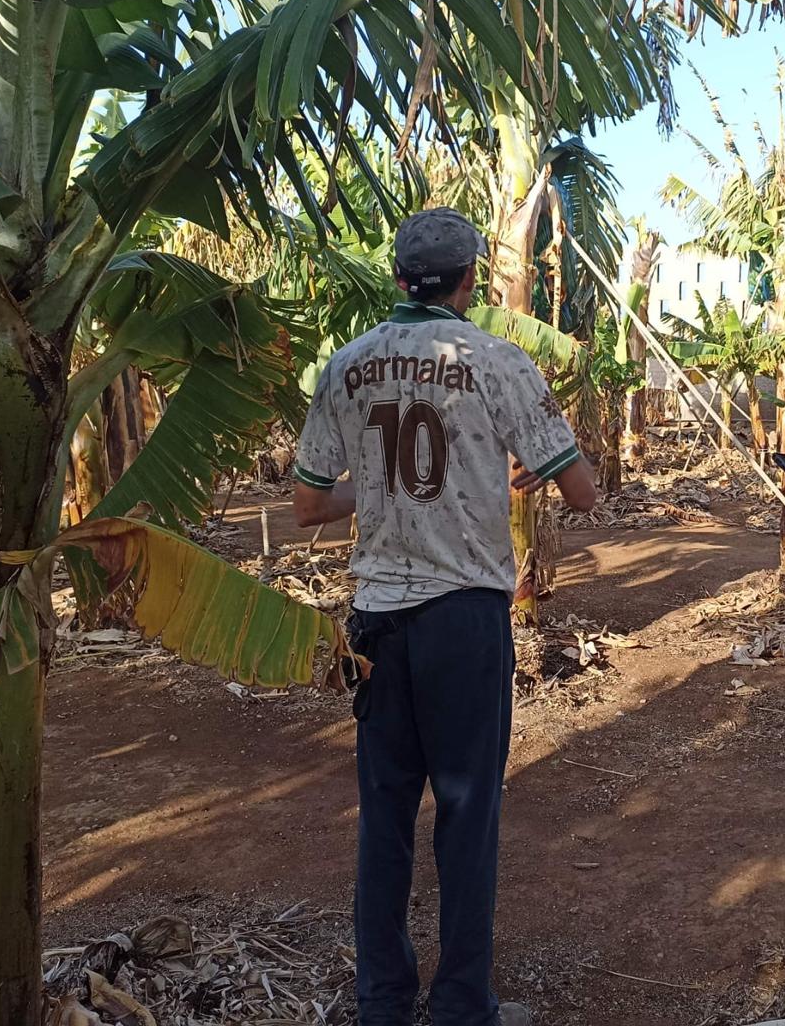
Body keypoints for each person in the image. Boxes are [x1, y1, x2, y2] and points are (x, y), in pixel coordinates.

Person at [292, 207, 597, 1026]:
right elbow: (581, 489)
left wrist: (378, 488)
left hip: (378, 619)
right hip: (464, 618)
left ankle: (382, 1002)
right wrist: (507, 476)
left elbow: (309, 503)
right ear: (471, 281)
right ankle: (463, 1004)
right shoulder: (495, 359)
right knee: (468, 815)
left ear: (398, 278)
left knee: (384, 816)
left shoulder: (345, 366)